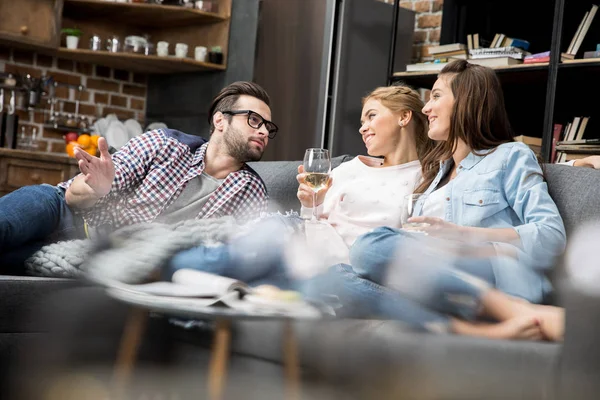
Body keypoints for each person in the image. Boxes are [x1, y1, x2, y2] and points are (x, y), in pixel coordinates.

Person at [345, 60, 567, 341]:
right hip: (443, 283)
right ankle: (481, 329)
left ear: (466, 101)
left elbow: (550, 236)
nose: (425, 108)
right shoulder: (436, 174)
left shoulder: (510, 156)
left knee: (369, 247)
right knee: (336, 276)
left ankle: (507, 308)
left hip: (497, 275)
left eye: (436, 96)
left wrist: (463, 235)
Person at [165, 84, 433, 284]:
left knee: (240, 274)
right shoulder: (351, 168)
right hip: (295, 233)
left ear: (403, 117)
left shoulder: (424, 180)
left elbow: (398, 247)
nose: (363, 128)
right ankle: (155, 262)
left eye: (372, 116)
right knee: (221, 258)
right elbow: (312, 218)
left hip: (327, 262)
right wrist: (310, 203)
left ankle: (160, 268)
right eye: (362, 121)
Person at [0, 81, 275, 265]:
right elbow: (72, 198)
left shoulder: (250, 191)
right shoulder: (164, 144)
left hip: (103, 255)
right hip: (61, 211)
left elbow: (243, 256)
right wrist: (100, 188)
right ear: (220, 121)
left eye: (268, 127)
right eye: (254, 120)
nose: (263, 131)